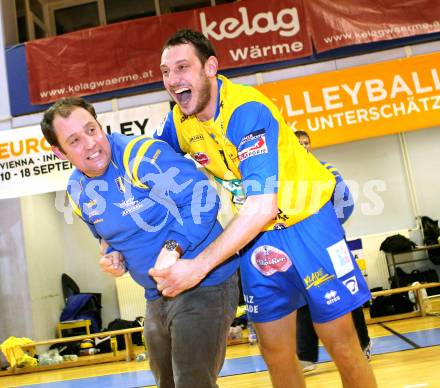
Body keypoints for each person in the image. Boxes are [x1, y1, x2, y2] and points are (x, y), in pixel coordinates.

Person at [148, 29, 377, 388]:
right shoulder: (179, 122)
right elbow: (145, 167)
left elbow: (262, 206)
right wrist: (108, 239)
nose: (173, 80)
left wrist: (199, 266)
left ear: (210, 67)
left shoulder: (246, 109)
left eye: (182, 67)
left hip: (308, 223)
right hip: (258, 238)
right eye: (165, 71)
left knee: (342, 345)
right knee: (275, 352)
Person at [40, 97, 239, 388]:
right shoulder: (77, 191)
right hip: (156, 294)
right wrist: (111, 257)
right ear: (59, 152)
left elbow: (203, 197)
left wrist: (173, 248)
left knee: (193, 381)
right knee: (167, 382)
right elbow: (106, 240)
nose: (91, 143)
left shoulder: (140, 155)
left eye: (92, 130)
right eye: (75, 140)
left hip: (205, 282)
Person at [295, 130, 372, 372]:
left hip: (333, 244)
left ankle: (363, 344)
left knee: (349, 292)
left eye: (306, 143)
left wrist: (325, 229)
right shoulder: (284, 176)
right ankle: (306, 356)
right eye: (298, 143)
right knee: (306, 297)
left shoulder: (327, 170)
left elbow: (346, 203)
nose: (303, 146)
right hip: (303, 250)